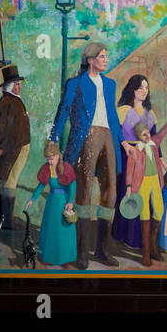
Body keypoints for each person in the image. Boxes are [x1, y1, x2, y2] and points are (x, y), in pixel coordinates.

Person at [50, 41, 124, 269]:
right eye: (101, 56)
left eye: (106, 56)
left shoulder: (110, 84)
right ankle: (81, 252)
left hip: (109, 138)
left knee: (110, 191)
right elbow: (63, 111)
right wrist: (53, 138)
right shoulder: (76, 83)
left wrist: (124, 142)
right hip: (85, 138)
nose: (105, 59)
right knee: (84, 191)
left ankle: (102, 249)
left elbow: (112, 115)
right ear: (90, 60)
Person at [111, 75, 167, 252]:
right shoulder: (122, 111)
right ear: (133, 89)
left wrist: (160, 158)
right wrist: (125, 145)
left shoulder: (150, 114)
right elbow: (116, 134)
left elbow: (155, 139)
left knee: (147, 200)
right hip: (129, 155)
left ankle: (142, 241)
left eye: (146, 87)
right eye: (140, 87)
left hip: (148, 157)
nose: (144, 91)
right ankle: (123, 236)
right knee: (128, 195)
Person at [121, 116, 167, 266]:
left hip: (155, 181)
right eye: (144, 134)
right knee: (145, 215)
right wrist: (128, 187)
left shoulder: (154, 144)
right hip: (142, 184)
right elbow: (129, 171)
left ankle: (153, 248)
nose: (147, 136)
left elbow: (163, 131)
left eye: (148, 133)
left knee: (159, 211)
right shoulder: (135, 150)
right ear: (138, 137)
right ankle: (146, 253)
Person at [0, 64, 32, 238]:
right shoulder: (7, 102)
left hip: (19, 147)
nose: (20, 86)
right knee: (9, 182)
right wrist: (2, 146)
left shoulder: (14, 100)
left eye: (20, 83)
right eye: (16, 83)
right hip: (13, 148)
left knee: (10, 182)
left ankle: (6, 220)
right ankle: (6, 222)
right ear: (9, 86)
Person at [24, 142, 78, 268]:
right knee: (50, 230)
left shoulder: (66, 168)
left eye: (52, 158)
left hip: (64, 203)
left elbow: (73, 185)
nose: (49, 161)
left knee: (64, 231)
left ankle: (65, 259)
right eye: (47, 159)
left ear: (58, 156)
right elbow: (41, 186)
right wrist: (32, 199)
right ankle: (48, 257)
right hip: (52, 203)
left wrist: (70, 201)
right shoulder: (46, 169)